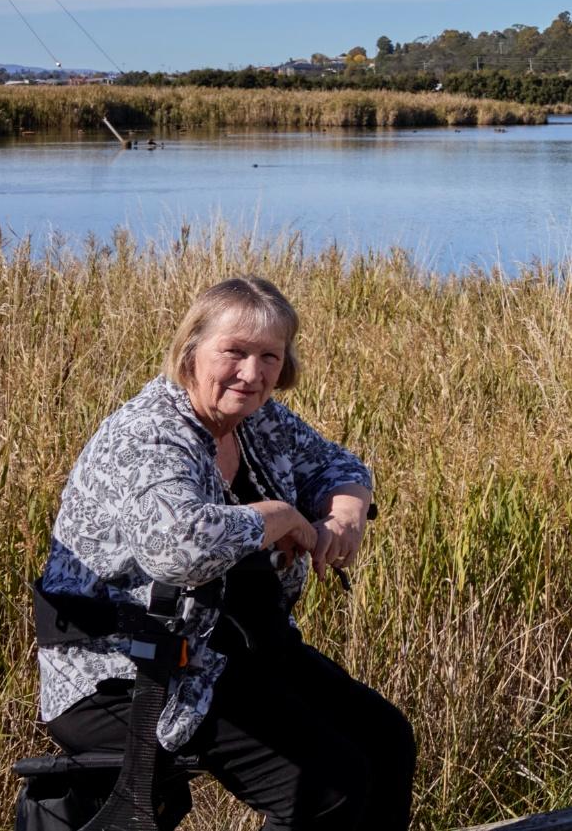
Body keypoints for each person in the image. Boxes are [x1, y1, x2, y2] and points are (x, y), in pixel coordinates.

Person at [37, 276, 416, 831]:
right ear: (191, 352)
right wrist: (278, 517)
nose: (252, 372)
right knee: (325, 788)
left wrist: (345, 512)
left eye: (269, 356)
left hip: (229, 652)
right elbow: (180, 549)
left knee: (384, 740)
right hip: (124, 673)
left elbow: (339, 466)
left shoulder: (257, 421)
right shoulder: (149, 436)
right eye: (234, 352)